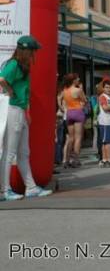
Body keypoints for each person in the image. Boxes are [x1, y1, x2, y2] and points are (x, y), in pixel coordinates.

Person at [0, 35, 53, 199]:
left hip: (20, 111)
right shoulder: (15, 64)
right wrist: (10, 92)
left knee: (23, 152)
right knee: (10, 152)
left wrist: (26, 112)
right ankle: (4, 190)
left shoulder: (21, 65)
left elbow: (24, 90)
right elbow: (1, 79)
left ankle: (30, 188)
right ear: (25, 50)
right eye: (32, 51)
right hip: (14, 110)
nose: (34, 54)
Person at [62, 73, 87, 168]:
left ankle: (66, 159)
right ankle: (75, 160)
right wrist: (82, 90)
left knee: (70, 138)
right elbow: (84, 100)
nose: (79, 80)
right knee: (78, 137)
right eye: (77, 79)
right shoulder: (78, 90)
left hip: (69, 112)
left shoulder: (65, 90)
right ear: (74, 81)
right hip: (77, 112)